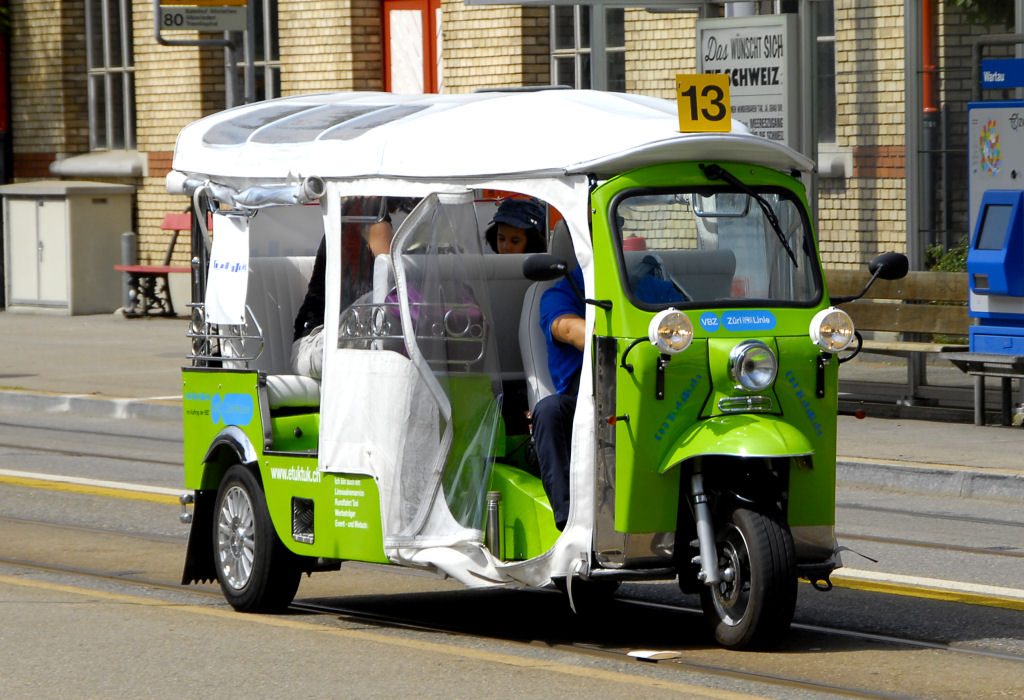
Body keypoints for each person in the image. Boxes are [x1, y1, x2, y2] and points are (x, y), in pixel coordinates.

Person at [291, 198, 393, 379]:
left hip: (346, 345)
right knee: (383, 302)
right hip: (314, 345)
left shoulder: (365, 212)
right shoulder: (368, 214)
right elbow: (390, 283)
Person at [532, 264, 585, 531]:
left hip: (656, 391)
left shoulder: (649, 284)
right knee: (549, 410)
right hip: (589, 402)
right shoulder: (559, 294)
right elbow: (570, 329)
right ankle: (571, 522)